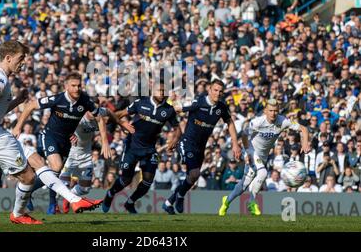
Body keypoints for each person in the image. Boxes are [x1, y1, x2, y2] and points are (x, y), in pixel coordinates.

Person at [0, 42, 99, 225]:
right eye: (20, 58)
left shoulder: (0, 77)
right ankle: (20, 214)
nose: (23, 63)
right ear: (8, 58)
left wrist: (17, 101)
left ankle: (73, 200)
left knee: (38, 162)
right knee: (28, 177)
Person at [12, 71, 112, 214]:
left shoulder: (85, 100)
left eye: (79, 86)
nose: (77, 89)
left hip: (66, 140)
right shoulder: (58, 99)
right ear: (66, 86)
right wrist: (18, 126)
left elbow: (100, 117)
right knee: (56, 166)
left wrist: (105, 141)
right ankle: (50, 202)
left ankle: (30, 191)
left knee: (54, 172)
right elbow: (31, 106)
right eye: (73, 86)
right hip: (50, 136)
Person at [218, 99, 310, 216]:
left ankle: (226, 201)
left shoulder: (283, 121)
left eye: (275, 111)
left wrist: (305, 142)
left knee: (244, 185)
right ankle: (251, 202)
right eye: (270, 110)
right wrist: (247, 153)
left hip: (263, 156)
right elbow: (245, 135)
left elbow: (304, 129)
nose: (273, 113)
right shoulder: (257, 122)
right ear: (265, 111)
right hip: (252, 151)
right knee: (262, 173)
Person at [102, 82, 182, 214]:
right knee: (126, 180)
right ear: (152, 90)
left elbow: (177, 128)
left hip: (150, 149)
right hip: (132, 146)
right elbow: (121, 113)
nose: (162, 93)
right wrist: (113, 123)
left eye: (164, 91)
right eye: (159, 90)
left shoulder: (169, 110)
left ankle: (130, 203)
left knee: (148, 180)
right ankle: (110, 194)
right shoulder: (140, 103)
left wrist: (175, 138)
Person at [163, 79, 241, 215]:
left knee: (191, 178)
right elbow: (177, 109)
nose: (218, 93)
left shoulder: (221, 108)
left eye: (220, 91)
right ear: (209, 90)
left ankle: (168, 203)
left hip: (201, 147)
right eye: (215, 90)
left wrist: (235, 143)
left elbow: (229, 122)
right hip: (187, 143)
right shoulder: (198, 102)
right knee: (194, 173)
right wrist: (174, 135)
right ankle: (180, 197)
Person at [60, 107, 134, 213]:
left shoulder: (99, 112)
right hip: (71, 154)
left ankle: (69, 197)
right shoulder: (78, 116)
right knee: (62, 185)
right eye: (91, 110)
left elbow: (110, 112)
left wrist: (121, 123)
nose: (95, 112)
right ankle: (53, 206)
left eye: (96, 109)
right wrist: (69, 134)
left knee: (85, 189)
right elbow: (63, 124)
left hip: (86, 155)